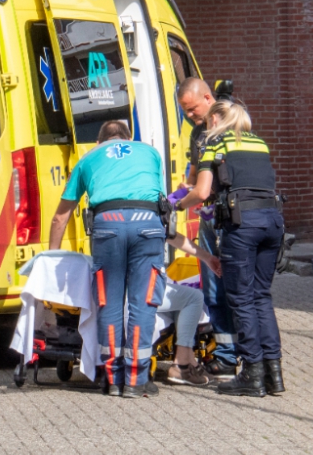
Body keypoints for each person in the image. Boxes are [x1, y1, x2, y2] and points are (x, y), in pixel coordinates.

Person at [49, 120, 222, 397]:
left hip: (107, 226)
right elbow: (160, 204)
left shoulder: (88, 158)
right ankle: (136, 380)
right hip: (148, 225)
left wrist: (53, 260)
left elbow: (60, 216)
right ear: (128, 139)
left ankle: (111, 379)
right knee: (144, 303)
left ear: (99, 142)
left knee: (109, 303)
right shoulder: (150, 153)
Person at [177, 100, 285, 397]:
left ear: (214, 120)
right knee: (261, 296)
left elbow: (201, 191)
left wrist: (175, 204)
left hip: (243, 224)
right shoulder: (258, 142)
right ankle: (273, 374)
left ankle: (252, 373)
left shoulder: (214, 141)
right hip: (273, 222)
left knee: (240, 299)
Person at [175, 77, 238, 380]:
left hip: (231, 215)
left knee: (237, 288)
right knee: (213, 288)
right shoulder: (198, 132)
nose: (190, 116)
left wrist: (183, 202)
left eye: (192, 109)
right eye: (185, 112)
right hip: (208, 216)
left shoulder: (231, 121)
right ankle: (226, 355)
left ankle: (248, 355)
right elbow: (194, 171)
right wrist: (182, 189)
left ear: (207, 97)